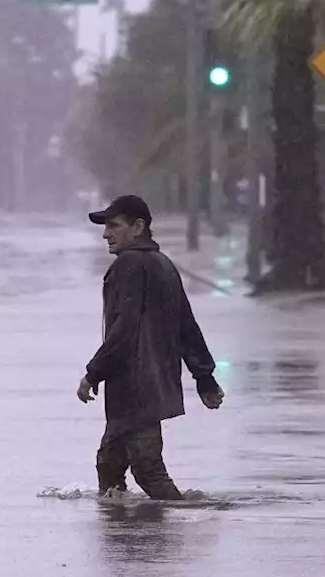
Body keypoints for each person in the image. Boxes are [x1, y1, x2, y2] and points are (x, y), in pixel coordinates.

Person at [76, 194, 225, 500]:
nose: (106, 233)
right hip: (152, 384)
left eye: (114, 225)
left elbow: (124, 330)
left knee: (147, 469)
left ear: (138, 227)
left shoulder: (129, 265)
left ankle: (164, 538)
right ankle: (125, 531)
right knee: (109, 464)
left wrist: (93, 373)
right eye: (106, 227)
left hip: (136, 388)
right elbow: (187, 326)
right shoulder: (164, 265)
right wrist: (204, 378)